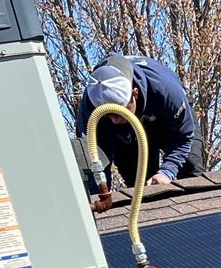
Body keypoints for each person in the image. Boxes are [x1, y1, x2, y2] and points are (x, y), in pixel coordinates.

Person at [74, 54, 199, 214]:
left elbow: (183, 135)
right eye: (109, 115)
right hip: (125, 138)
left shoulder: (165, 90)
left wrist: (167, 171)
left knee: (192, 173)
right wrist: (99, 199)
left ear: (135, 94)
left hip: (169, 123)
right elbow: (94, 163)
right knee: (141, 189)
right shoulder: (89, 112)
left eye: (120, 113)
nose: (114, 120)